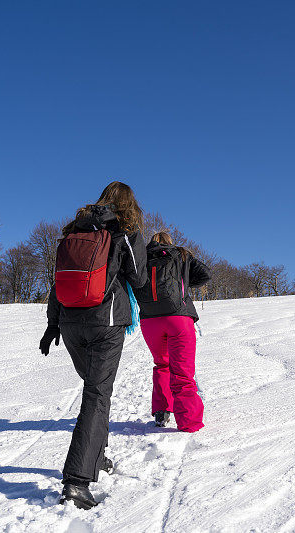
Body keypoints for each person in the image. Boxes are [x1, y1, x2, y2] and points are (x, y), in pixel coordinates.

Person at [39, 181, 147, 510]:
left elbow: (59, 279)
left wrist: (52, 324)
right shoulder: (124, 231)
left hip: (70, 323)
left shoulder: (74, 231)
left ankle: (95, 456)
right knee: (97, 395)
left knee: (94, 390)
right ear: (129, 204)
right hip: (106, 320)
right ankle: (77, 480)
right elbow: (139, 278)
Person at [136, 232, 211, 432]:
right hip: (178, 318)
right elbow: (206, 274)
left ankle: (162, 411)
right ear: (170, 243)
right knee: (182, 371)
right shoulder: (181, 254)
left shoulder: (141, 257)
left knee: (162, 364)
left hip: (150, 320)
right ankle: (189, 423)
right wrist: (184, 283)